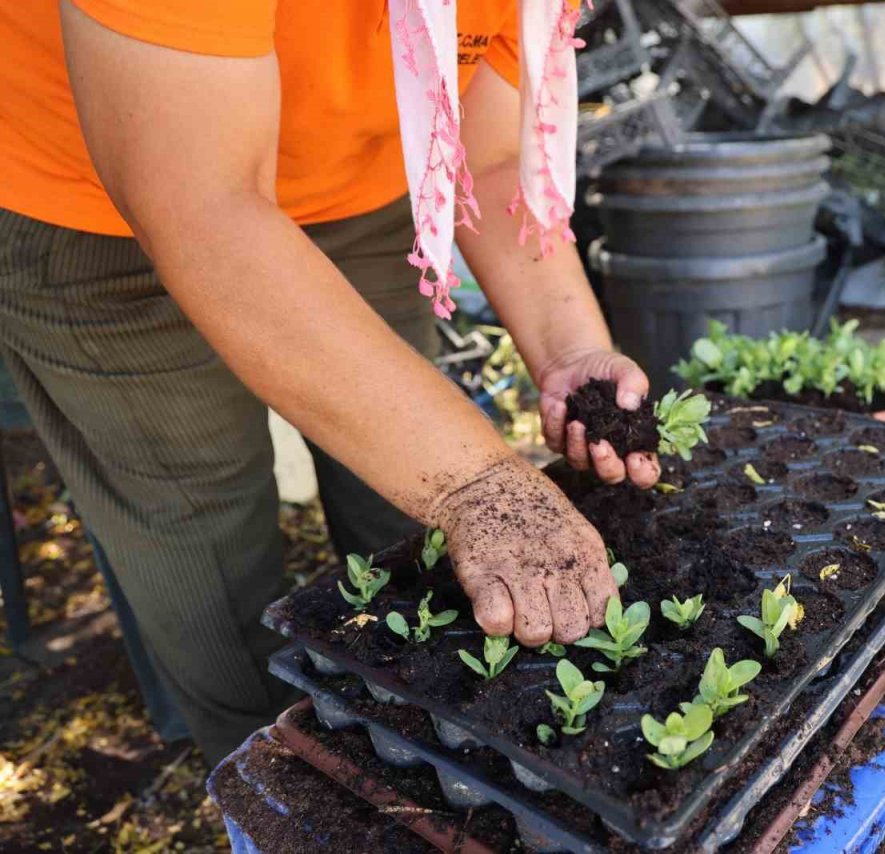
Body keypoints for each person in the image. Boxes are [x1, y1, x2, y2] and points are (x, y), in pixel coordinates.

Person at [0, 0, 658, 761]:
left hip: (356, 186)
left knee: (404, 510)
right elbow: (201, 206)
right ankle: (273, 782)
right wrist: (478, 485)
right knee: (201, 534)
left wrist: (571, 350)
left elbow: (491, 155)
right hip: (95, 194)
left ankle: (422, 756)